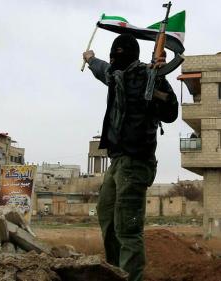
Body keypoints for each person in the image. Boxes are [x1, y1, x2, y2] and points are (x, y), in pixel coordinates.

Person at [82, 34, 178, 281]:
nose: (114, 59)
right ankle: (116, 274)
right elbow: (104, 70)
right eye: (113, 55)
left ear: (129, 55)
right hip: (117, 161)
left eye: (118, 55)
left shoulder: (148, 75)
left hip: (137, 161)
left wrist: (160, 81)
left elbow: (170, 113)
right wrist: (91, 60)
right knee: (107, 217)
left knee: (128, 228)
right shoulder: (116, 76)